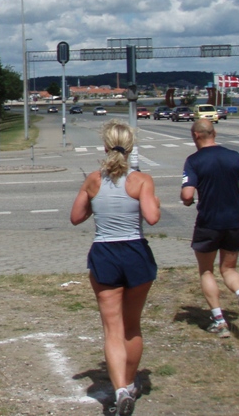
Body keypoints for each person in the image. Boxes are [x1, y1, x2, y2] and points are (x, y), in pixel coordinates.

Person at [70, 120, 160, 416]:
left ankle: (120, 388)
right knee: (131, 326)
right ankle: (131, 383)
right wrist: (152, 200)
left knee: (112, 328)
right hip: (135, 250)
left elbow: (76, 216)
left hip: (105, 251)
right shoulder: (142, 180)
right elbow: (152, 217)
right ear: (131, 147)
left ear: (104, 146)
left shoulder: (94, 179)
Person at [181, 118, 239, 338]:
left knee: (206, 271)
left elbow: (187, 194)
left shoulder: (193, 161)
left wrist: (187, 200)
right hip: (234, 222)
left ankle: (219, 320)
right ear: (214, 133)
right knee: (229, 269)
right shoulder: (233, 156)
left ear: (196, 136)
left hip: (209, 223)